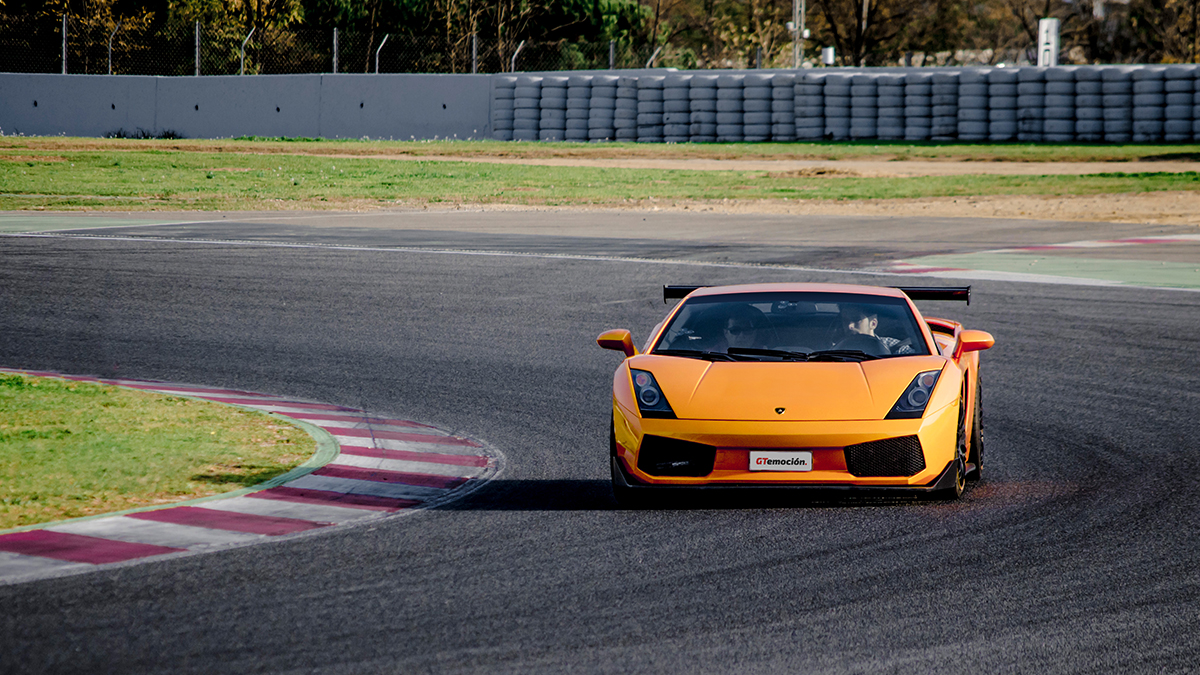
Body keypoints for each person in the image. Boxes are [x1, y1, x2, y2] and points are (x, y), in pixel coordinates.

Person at [842, 306, 915, 355]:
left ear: (873, 324)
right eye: (845, 320)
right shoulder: (831, 349)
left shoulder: (894, 347)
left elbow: (914, 362)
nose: (849, 326)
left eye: (856, 319)